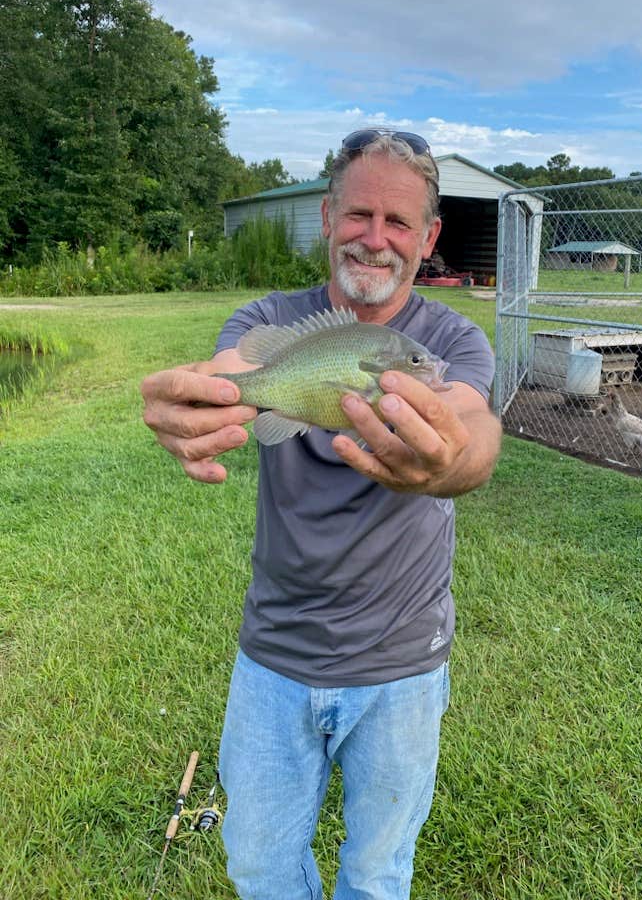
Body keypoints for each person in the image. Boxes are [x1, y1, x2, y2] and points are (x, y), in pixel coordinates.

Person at [141, 128, 501, 900]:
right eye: (359, 214)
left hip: (402, 662)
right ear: (329, 213)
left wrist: (450, 459)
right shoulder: (270, 317)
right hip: (275, 652)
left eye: (399, 222)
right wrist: (192, 398)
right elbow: (235, 371)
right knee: (261, 868)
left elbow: (473, 428)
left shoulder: (447, 341)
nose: (376, 239)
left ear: (428, 236)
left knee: (377, 875)